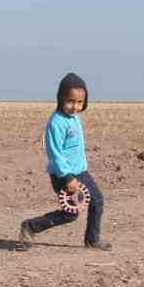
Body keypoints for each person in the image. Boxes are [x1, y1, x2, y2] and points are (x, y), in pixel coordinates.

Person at [18, 72, 110, 251]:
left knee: (97, 201)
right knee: (70, 214)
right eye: (70, 101)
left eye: (79, 102)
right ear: (61, 99)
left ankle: (92, 239)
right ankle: (30, 226)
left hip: (81, 172)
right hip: (64, 175)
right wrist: (68, 177)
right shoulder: (56, 123)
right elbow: (55, 153)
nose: (75, 106)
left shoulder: (75, 118)